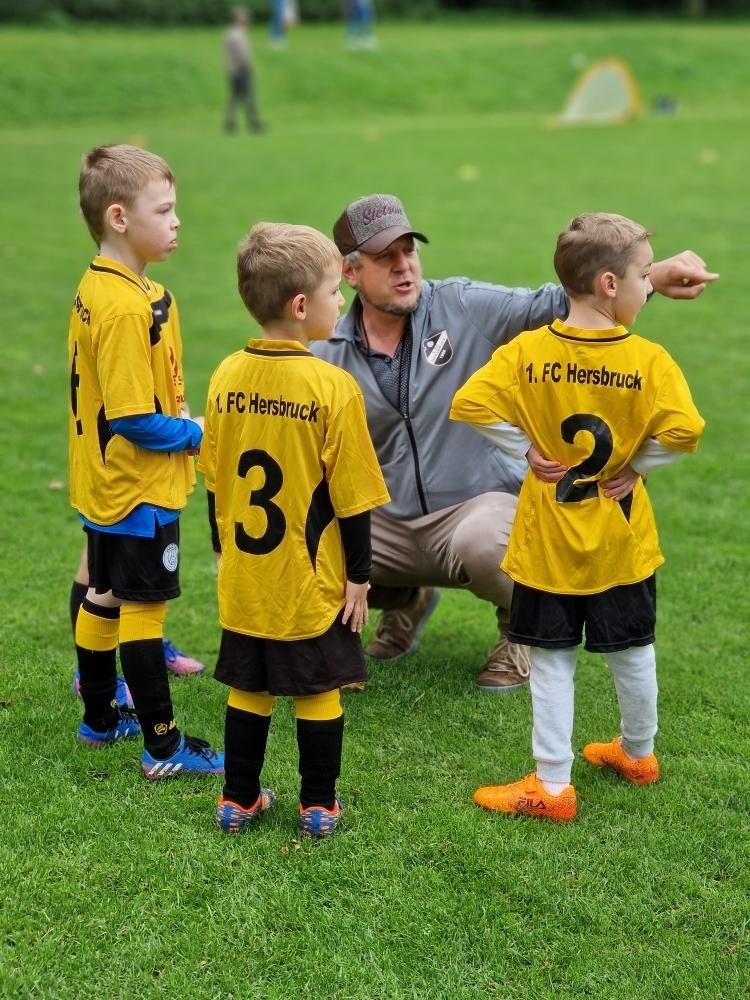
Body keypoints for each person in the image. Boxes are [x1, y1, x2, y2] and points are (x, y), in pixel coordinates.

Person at [311, 193, 716, 692]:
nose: (404, 268)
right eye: (384, 258)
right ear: (349, 274)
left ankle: (516, 631)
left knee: (486, 541)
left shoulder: (459, 304)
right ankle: (401, 602)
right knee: (313, 533)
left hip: (473, 514)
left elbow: (557, 303)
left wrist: (649, 277)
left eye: (409, 252)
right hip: (387, 525)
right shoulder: (324, 346)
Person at [450, 212, 705, 821]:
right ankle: (638, 753)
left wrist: (526, 452)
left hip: (549, 543)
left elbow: (471, 403)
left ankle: (553, 785)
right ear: (610, 285)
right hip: (622, 539)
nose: (650, 285)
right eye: (645, 275)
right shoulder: (648, 359)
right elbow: (685, 431)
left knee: (554, 659)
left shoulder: (528, 353)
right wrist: (638, 465)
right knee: (632, 650)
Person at [197, 222, 389, 837]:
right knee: (319, 687)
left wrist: (222, 551)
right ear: (301, 306)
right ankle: (318, 805)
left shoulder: (226, 375)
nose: (342, 301)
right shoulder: (333, 387)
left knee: (249, 686)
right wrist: (359, 578)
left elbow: (215, 482)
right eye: (337, 290)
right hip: (312, 580)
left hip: (247, 574)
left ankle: (238, 799)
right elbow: (353, 498)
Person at [68, 143, 224, 780]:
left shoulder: (101, 284)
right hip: (137, 486)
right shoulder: (127, 307)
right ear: (118, 218)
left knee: (103, 594)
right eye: (164, 210)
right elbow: (133, 418)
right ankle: (163, 746)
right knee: (142, 608)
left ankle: (100, 717)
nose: (177, 221)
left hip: (101, 480)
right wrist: (196, 433)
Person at [224, 7, 266, 134]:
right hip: (240, 71)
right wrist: (248, 66)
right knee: (248, 97)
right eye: (244, 17)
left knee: (235, 98)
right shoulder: (236, 35)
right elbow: (241, 55)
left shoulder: (233, 33)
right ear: (238, 19)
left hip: (234, 71)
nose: (247, 20)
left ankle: (230, 123)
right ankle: (253, 123)